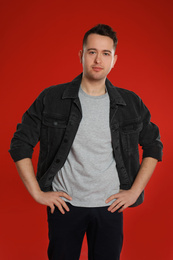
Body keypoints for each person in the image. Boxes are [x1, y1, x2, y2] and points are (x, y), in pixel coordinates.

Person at [9, 24, 163, 260]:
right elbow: (20, 143)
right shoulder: (52, 98)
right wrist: (38, 193)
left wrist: (134, 192)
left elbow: (153, 145)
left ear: (114, 60)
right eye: (92, 52)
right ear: (81, 55)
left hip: (110, 207)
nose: (98, 59)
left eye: (105, 53)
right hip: (65, 206)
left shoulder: (130, 103)